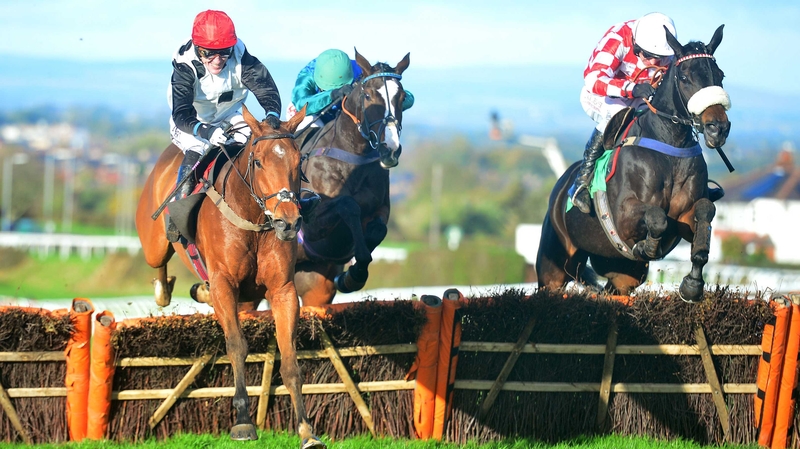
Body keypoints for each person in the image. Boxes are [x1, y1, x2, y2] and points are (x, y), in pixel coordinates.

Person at [166, 10, 296, 242]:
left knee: (259, 151)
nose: (218, 60)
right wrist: (205, 131)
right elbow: (181, 114)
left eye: (224, 52)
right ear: (198, 48)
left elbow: (266, 89)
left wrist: (272, 116)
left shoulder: (240, 55)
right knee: (196, 152)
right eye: (209, 54)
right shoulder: (185, 67)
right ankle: (178, 215)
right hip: (193, 122)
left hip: (230, 114)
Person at [570, 12, 677, 214]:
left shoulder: (667, 50)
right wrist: (631, 88)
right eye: (648, 56)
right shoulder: (618, 38)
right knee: (619, 112)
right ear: (636, 44)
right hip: (602, 96)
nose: (654, 62)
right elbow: (593, 79)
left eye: (660, 58)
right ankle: (582, 181)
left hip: (640, 98)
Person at [286, 48, 415, 131]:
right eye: (325, 88)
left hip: (345, 115)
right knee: (306, 124)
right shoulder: (307, 74)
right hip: (313, 115)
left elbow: (407, 98)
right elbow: (300, 104)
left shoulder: (361, 71)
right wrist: (332, 95)